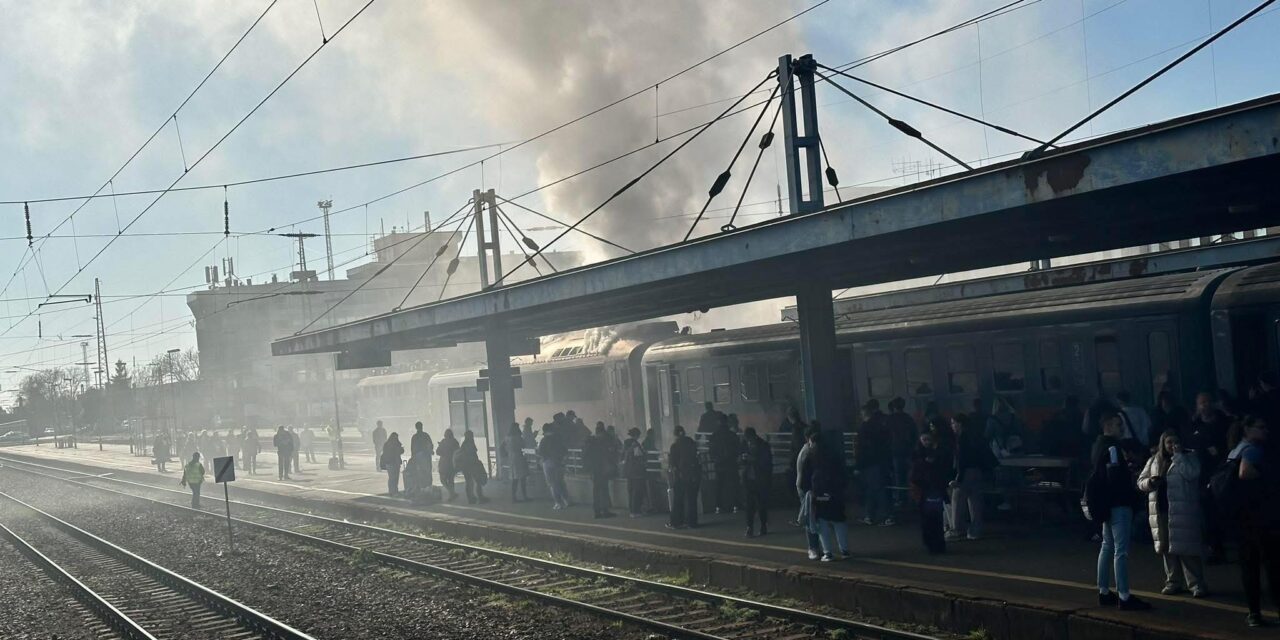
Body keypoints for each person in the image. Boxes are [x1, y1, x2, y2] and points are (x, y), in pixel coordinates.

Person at [1088, 412, 1151, 611]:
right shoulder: (1113, 447)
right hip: (1118, 504)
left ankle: (1104, 591)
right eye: (1118, 424)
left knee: (1107, 546)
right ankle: (1124, 595)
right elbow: (1114, 475)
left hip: (1105, 504)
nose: (1121, 428)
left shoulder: (1097, 446)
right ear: (1108, 425)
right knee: (1121, 550)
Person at [1137, 430, 1207, 597]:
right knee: (1167, 548)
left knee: (1187, 549)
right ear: (1163, 443)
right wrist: (1150, 483)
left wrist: (1179, 457)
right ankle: (1173, 581)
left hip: (1183, 510)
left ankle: (1196, 584)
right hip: (1161, 509)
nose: (1172, 445)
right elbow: (1140, 481)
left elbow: (1192, 474)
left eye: (1175, 441)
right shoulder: (1154, 461)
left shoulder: (1189, 457)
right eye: (1168, 442)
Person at [1228, 416, 1280, 627]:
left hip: (1240, 517)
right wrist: (1266, 479)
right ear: (1247, 429)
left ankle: (1254, 613)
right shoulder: (1252, 450)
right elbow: (1245, 472)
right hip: (1259, 517)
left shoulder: (1234, 451)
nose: (1265, 430)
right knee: (1272, 563)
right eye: (1261, 427)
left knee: (1249, 567)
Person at [1187, 391, 1230, 563]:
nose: (1204, 406)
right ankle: (1215, 547)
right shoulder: (1193, 425)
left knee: (1222, 510)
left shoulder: (1224, 422)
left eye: (1207, 402)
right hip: (1203, 473)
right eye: (1201, 403)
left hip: (1221, 470)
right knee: (1208, 511)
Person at [800, 429, 849, 562]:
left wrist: (807, 491)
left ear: (812, 442)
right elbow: (843, 473)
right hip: (835, 492)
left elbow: (804, 478)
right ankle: (845, 550)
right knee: (839, 521)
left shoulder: (810, 456)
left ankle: (828, 552)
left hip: (818, 493)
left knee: (822, 523)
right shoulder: (834, 454)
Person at [948, 414, 996, 541]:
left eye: (953, 423)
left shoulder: (962, 438)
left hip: (966, 472)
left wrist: (958, 478)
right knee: (975, 501)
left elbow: (962, 460)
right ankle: (976, 531)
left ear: (960, 423)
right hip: (978, 471)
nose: (952, 426)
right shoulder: (976, 435)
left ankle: (957, 530)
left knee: (957, 499)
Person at [911, 430, 951, 554]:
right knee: (930, 519)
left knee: (934, 519)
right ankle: (933, 544)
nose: (926, 442)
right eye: (924, 439)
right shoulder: (922, 454)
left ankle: (935, 544)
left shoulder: (932, 454)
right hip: (927, 490)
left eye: (928, 439)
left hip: (930, 489)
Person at [855, 399, 893, 526]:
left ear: (864, 414)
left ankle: (883, 515)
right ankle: (872, 515)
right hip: (880, 461)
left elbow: (861, 448)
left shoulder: (864, 428)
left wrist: (858, 465)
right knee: (877, 489)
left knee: (875, 489)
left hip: (869, 463)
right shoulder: (880, 425)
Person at [740, 427, 772, 537]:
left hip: (760, 479)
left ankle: (763, 525)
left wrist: (752, 459)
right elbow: (740, 459)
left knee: (761, 504)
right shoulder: (744, 444)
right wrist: (743, 459)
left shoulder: (763, 445)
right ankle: (750, 527)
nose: (748, 441)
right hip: (748, 479)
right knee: (749, 505)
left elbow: (766, 462)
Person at [667, 425, 700, 529]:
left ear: (675, 434)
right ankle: (692, 522)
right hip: (693, 474)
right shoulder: (691, 442)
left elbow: (672, 463)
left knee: (678, 500)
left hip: (681, 476)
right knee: (692, 499)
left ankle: (676, 522)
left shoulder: (674, 446)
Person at [886, 397, 917, 508]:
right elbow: (914, 435)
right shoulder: (908, 418)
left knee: (898, 476)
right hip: (908, 451)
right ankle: (912, 498)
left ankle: (901, 499)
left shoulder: (890, 419)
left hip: (895, 451)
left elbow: (886, 436)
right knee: (910, 476)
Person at [708, 417, 742, 514]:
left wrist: (715, 459)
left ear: (718, 422)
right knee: (734, 484)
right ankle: (736, 505)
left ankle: (719, 506)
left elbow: (711, 450)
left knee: (719, 486)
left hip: (719, 464)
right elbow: (738, 448)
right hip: (731, 463)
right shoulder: (732, 435)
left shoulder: (714, 436)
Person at [583, 424, 616, 518]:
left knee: (597, 491)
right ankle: (604, 511)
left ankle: (597, 512)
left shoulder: (590, 442)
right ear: (601, 433)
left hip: (594, 470)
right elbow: (606, 455)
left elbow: (586, 456)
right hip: (601, 470)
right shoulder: (601, 443)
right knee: (603, 490)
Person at [538, 423, 570, 509]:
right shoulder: (558, 439)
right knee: (560, 481)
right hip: (559, 463)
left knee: (552, 483)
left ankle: (558, 502)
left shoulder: (544, 440)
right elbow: (565, 450)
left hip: (548, 462)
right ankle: (566, 500)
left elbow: (540, 452)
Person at [455, 431, 488, 504]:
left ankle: (471, 498)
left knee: (469, 482)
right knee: (476, 481)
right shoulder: (469, 444)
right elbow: (472, 454)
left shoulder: (464, 444)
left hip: (466, 466)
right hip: (471, 465)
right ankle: (478, 497)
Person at [623, 427, 648, 517]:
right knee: (637, 492)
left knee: (630, 491)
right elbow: (639, 458)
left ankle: (631, 510)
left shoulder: (626, 443)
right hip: (637, 472)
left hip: (628, 471)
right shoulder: (636, 445)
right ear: (637, 435)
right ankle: (636, 511)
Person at [504, 423, 530, 502]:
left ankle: (513, 497)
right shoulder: (517, 437)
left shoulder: (507, 438)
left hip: (511, 458)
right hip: (519, 457)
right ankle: (524, 496)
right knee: (522, 478)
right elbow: (524, 445)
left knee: (514, 479)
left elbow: (503, 447)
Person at [780, 407, 807, 477]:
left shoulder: (796, 430)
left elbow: (797, 447)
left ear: (790, 417)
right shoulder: (805, 426)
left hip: (800, 461)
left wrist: (792, 461)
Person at [436, 429, 460, 501]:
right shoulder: (455, 442)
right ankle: (452, 494)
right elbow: (458, 451)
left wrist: (441, 446)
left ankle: (451, 493)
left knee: (443, 480)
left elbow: (438, 452)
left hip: (444, 464)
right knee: (451, 480)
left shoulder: (443, 442)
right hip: (452, 463)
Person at [382, 432, 405, 496]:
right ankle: (394, 491)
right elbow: (400, 451)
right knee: (395, 478)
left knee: (392, 478)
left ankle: (392, 491)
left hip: (389, 463)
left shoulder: (386, 444)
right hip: (394, 462)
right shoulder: (396, 444)